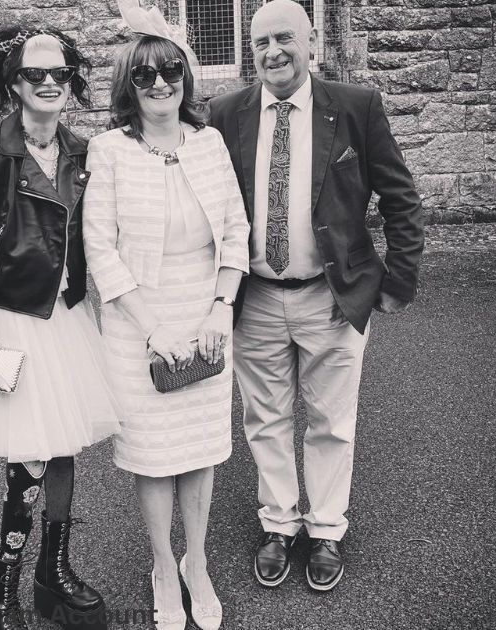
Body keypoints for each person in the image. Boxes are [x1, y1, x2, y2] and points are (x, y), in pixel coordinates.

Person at [206, 0, 425, 592]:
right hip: (254, 298)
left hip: (333, 296)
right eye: (260, 43)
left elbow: (400, 199)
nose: (273, 52)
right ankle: (278, 524)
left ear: (311, 43)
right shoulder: (225, 114)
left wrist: (398, 281)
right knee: (265, 418)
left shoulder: (356, 107)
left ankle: (326, 528)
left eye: (285, 39)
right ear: (250, 52)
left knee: (331, 420)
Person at [0, 27, 120, 630]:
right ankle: (2, 596)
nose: (48, 83)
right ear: (13, 83)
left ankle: (54, 572)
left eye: (59, 74)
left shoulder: (83, 152)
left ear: (71, 81)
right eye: (35, 74)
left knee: (63, 445)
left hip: (66, 317)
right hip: (11, 323)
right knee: (29, 459)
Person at [82, 34, 249, 630]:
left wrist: (219, 307)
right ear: (129, 85)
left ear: (187, 77)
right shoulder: (110, 150)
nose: (160, 83)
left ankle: (196, 562)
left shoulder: (209, 143)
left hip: (203, 312)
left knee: (199, 450)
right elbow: (100, 249)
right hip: (137, 323)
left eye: (171, 70)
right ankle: (162, 568)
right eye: (145, 74)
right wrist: (152, 330)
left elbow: (235, 231)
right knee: (155, 458)